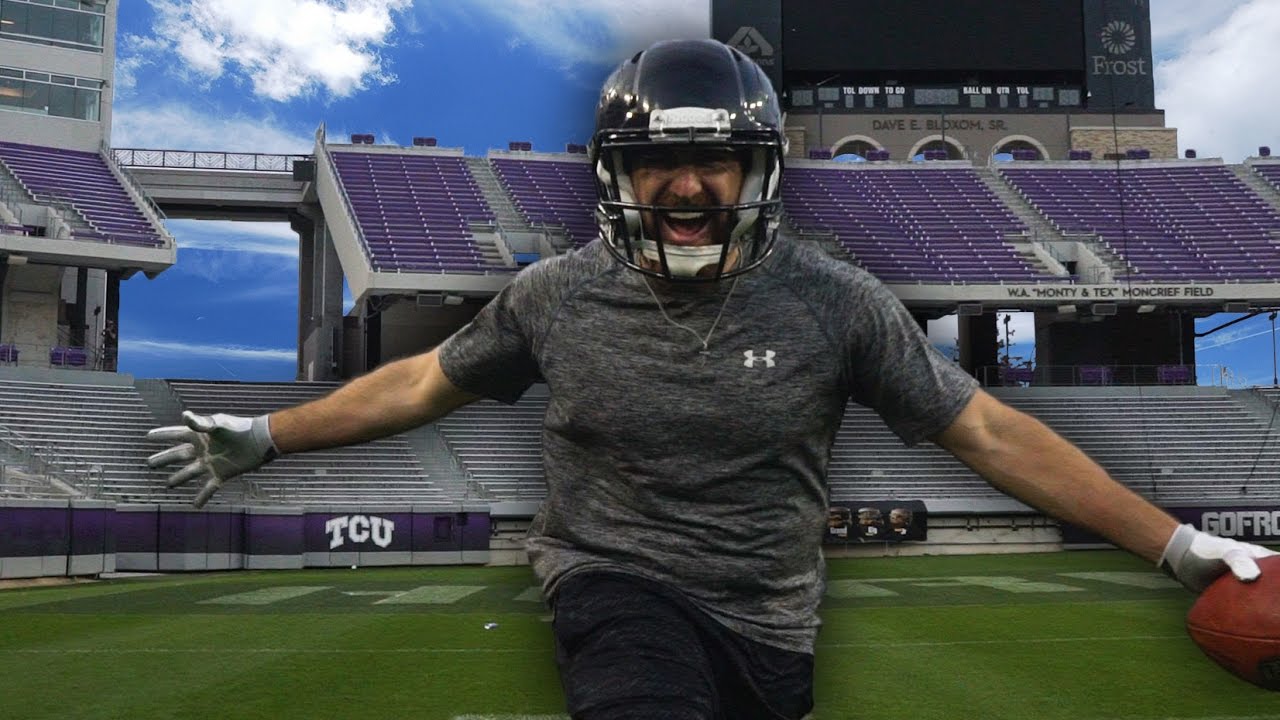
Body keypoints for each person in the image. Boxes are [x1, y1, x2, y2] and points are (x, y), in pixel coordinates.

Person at [146, 39, 1275, 720]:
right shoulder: (556, 295)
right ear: (618, 176)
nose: (686, 187)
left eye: (714, 160)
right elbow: (419, 386)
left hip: (770, 626)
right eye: (657, 163)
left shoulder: (834, 300)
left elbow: (986, 432)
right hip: (614, 585)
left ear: (755, 170)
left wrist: (1174, 546)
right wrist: (272, 434)